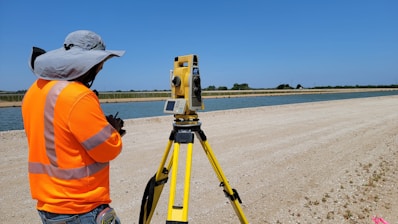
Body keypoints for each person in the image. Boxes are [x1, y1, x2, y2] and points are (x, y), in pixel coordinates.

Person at [22, 30, 126, 224]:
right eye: (100, 63)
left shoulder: (34, 91)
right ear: (90, 64)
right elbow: (107, 150)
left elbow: (60, 138)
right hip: (81, 208)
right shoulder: (79, 96)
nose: (101, 68)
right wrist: (112, 130)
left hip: (49, 206)